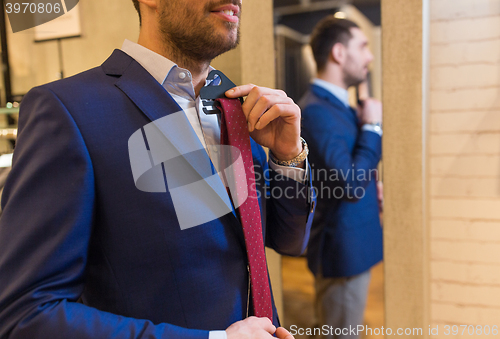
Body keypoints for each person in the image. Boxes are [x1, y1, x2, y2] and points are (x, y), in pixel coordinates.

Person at [0, 0, 316, 338]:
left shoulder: (235, 107)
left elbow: (288, 241)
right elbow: (27, 313)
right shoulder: (69, 110)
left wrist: (288, 156)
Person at [299, 17, 383, 339]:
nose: (369, 57)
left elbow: (350, 171)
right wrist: (372, 128)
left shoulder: (340, 107)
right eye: (362, 47)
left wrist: (373, 180)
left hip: (354, 247)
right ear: (338, 52)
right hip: (342, 253)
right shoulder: (317, 111)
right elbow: (348, 184)